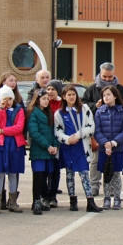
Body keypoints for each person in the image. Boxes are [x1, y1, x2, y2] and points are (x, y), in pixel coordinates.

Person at [82, 62, 123, 197]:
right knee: (95, 160)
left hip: (115, 130)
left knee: (113, 163)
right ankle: (94, 185)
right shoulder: (92, 88)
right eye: (105, 76)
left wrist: (115, 104)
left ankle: (112, 191)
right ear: (100, 74)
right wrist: (95, 106)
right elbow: (83, 105)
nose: (108, 79)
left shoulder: (120, 89)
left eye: (110, 77)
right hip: (97, 129)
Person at [54, 85, 102, 213]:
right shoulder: (59, 113)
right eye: (68, 95)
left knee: (84, 174)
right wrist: (67, 139)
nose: (71, 97)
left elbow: (91, 126)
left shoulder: (84, 109)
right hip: (68, 148)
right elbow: (57, 131)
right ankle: (72, 200)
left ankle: (90, 201)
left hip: (81, 147)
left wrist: (79, 135)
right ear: (64, 97)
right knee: (69, 175)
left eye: (73, 94)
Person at [0, 85, 27, 214]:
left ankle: (13, 202)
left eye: (10, 98)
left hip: (14, 145)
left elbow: (19, 128)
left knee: (12, 173)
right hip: (0, 146)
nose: (8, 102)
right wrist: (0, 108)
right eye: (5, 99)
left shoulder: (19, 110)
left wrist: (3, 131)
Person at [94, 85, 123, 210]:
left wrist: (114, 143)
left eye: (108, 95)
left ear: (115, 96)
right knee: (106, 173)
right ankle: (106, 198)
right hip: (104, 149)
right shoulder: (99, 112)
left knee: (115, 174)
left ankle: (117, 198)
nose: (106, 97)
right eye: (104, 95)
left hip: (117, 148)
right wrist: (105, 143)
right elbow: (97, 131)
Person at [26, 87, 59, 215]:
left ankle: (43, 198)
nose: (46, 101)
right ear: (37, 99)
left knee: (46, 175)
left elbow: (53, 131)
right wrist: (48, 146)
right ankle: (35, 201)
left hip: (49, 149)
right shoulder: (33, 112)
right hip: (39, 150)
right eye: (43, 99)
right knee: (38, 176)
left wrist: (55, 145)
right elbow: (34, 132)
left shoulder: (49, 113)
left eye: (47, 99)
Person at [43, 80, 64, 208]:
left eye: (53, 89)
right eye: (48, 89)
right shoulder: (43, 102)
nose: (50, 92)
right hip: (46, 138)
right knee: (45, 169)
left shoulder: (62, 103)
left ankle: (53, 195)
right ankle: (44, 195)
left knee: (55, 169)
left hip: (58, 139)